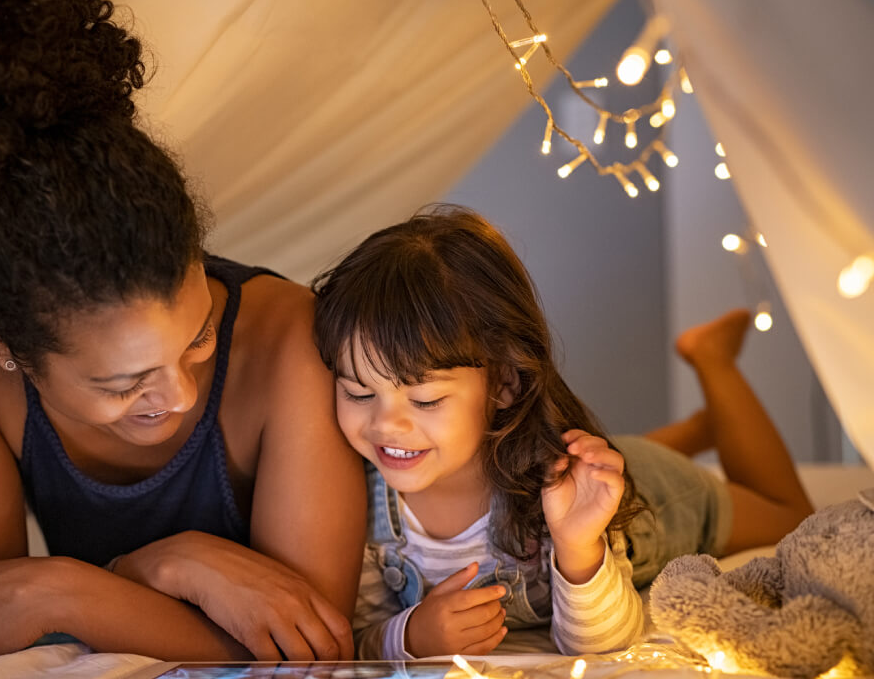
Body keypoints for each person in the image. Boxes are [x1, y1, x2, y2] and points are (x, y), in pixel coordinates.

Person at [0, 0, 365, 661]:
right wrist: (92, 585)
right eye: (121, 384)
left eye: (200, 337)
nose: (177, 393)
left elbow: (315, 654)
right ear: (4, 346)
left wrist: (100, 580)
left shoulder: (292, 335)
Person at [310, 205, 814, 659]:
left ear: (504, 382)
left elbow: (605, 642)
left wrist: (578, 548)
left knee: (791, 515)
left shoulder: (558, 492)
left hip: (651, 498)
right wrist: (410, 637)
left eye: (425, 400)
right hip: (577, 457)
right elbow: (357, 631)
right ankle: (700, 429)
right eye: (357, 392)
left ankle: (713, 361)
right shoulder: (357, 498)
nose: (384, 424)